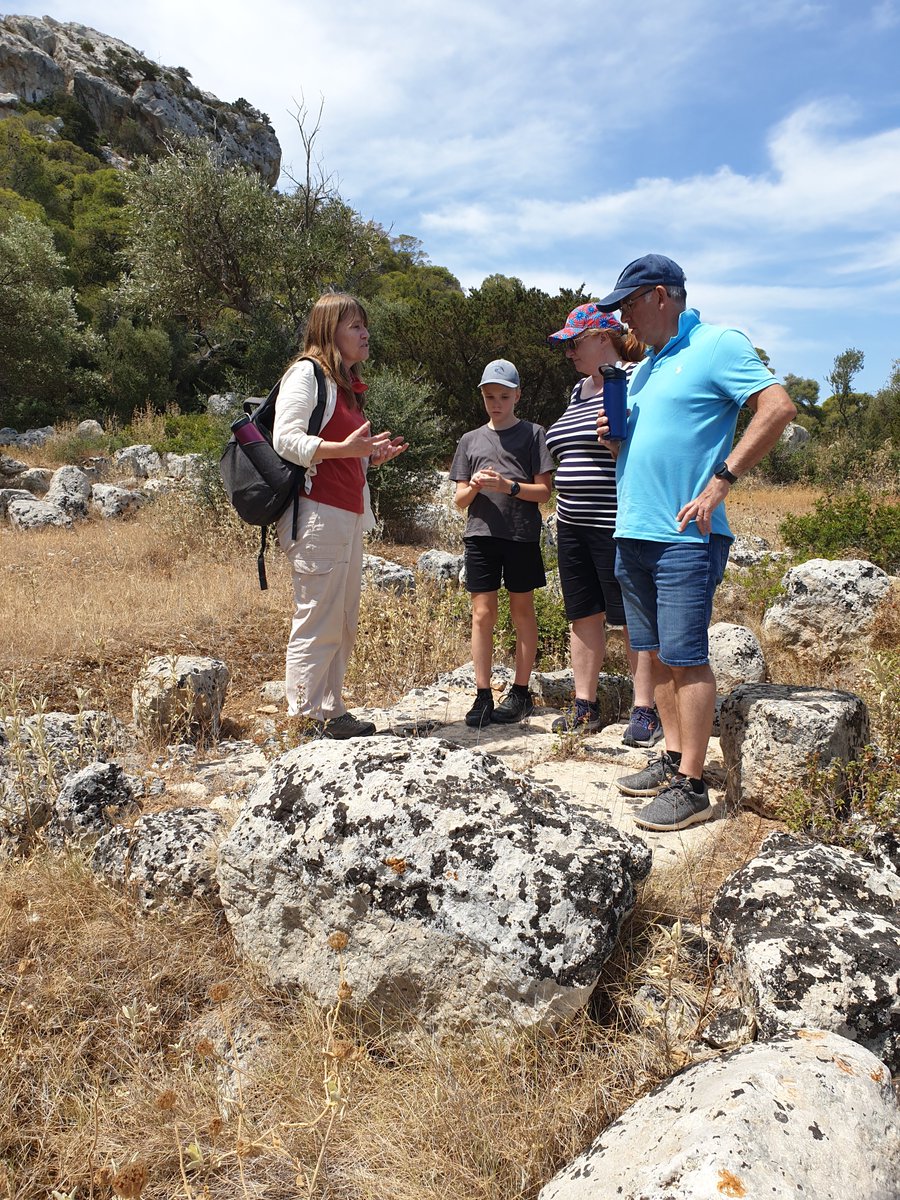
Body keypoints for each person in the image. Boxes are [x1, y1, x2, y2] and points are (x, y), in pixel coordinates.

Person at [595, 255, 796, 831]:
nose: (624, 318)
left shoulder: (716, 343)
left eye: (629, 304)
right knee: (653, 655)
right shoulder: (648, 365)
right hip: (633, 529)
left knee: (685, 658)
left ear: (661, 296)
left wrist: (720, 482)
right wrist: (617, 447)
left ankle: (692, 783)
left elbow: (776, 407)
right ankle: (671, 760)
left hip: (685, 534)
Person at [272, 291, 407, 738]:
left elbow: (342, 456)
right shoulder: (306, 374)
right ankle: (304, 718)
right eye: (355, 326)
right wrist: (346, 449)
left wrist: (368, 458)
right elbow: (285, 439)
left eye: (365, 325)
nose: (365, 333)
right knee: (317, 617)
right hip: (316, 516)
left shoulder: (345, 386)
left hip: (346, 516)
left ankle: (331, 708)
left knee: (344, 618)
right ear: (330, 330)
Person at [545, 303, 661, 744]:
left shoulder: (633, 381)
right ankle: (584, 705)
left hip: (616, 521)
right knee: (582, 614)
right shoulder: (578, 391)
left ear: (602, 338)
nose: (569, 351)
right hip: (570, 521)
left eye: (575, 342)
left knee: (633, 617)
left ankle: (645, 709)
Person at [451, 359, 555, 727]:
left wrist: (508, 486)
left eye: (504, 396)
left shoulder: (533, 434)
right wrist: (477, 486)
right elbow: (459, 499)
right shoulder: (469, 440)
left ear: (517, 397)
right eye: (490, 396)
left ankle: (521, 692)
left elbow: (544, 492)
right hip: (480, 535)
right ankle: (482, 695)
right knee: (482, 615)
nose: (496, 403)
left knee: (521, 611)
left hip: (520, 534)